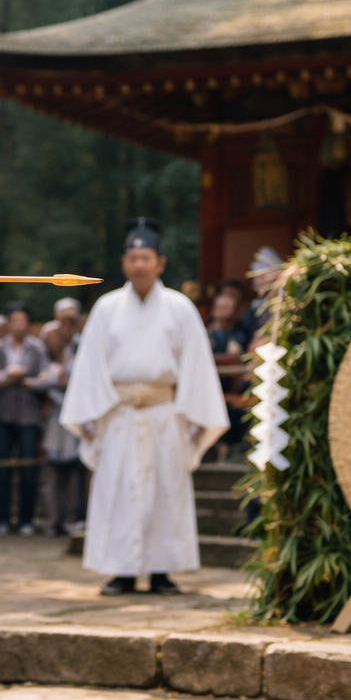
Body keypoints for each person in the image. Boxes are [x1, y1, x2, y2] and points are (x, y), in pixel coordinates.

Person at [60, 218, 228, 596]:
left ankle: (161, 570)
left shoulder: (180, 308)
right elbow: (90, 365)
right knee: (117, 490)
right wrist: (90, 418)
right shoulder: (106, 308)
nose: (139, 265)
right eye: (133, 257)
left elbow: (197, 365)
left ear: (160, 263)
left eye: (146, 257)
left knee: (165, 489)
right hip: (117, 413)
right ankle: (119, 569)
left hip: (164, 412)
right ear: (124, 262)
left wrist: (196, 420)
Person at [0, 301, 48, 535]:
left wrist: (28, 380)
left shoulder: (37, 347)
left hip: (29, 415)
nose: (19, 325)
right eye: (15, 321)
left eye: (23, 321)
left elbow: (47, 375)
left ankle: (26, 520)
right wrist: (8, 376)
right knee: (1, 469)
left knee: (28, 471)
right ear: (8, 323)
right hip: (1, 414)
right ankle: (2, 518)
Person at [39, 319, 84, 535]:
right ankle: (53, 519)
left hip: (73, 418)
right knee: (53, 473)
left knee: (72, 473)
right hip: (52, 421)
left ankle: (72, 517)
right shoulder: (43, 359)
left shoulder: (77, 354)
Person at [206, 292, 251, 463]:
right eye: (219, 308)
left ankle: (231, 448)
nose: (223, 312)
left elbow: (239, 356)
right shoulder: (207, 333)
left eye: (227, 308)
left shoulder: (239, 334)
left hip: (234, 387)